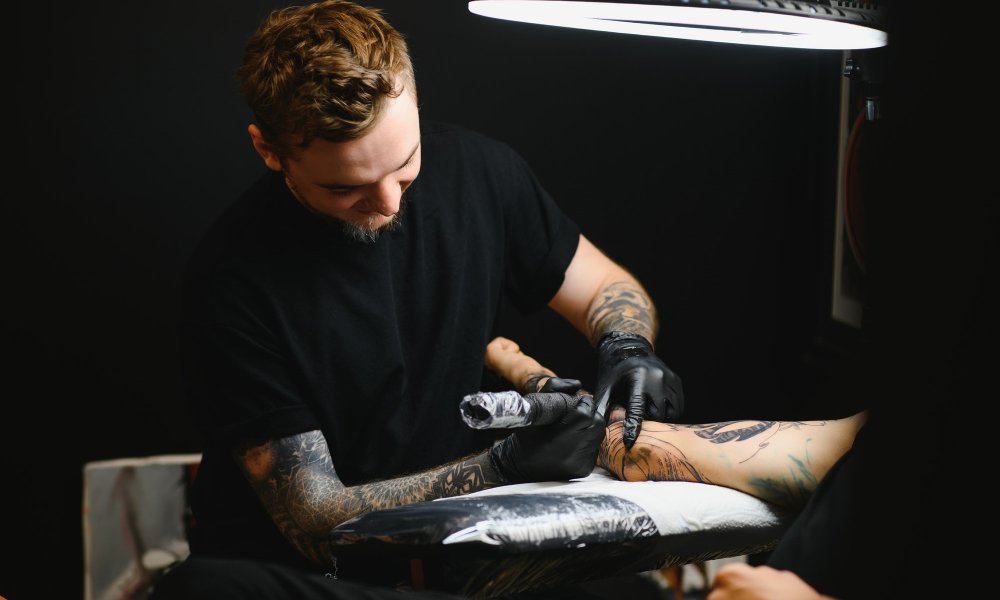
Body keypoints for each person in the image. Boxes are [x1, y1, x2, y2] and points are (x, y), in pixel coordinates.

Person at [155, 1, 683, 597]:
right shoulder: (233, 279)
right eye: (343, 187)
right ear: (269, 149)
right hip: (310, 577)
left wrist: (627, 344)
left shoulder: (482, 171)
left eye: (404, 166)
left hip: (458, 562)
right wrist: (502, 467)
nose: (388, 205)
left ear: (414, 98)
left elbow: (604, 288)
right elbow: (316, 520)